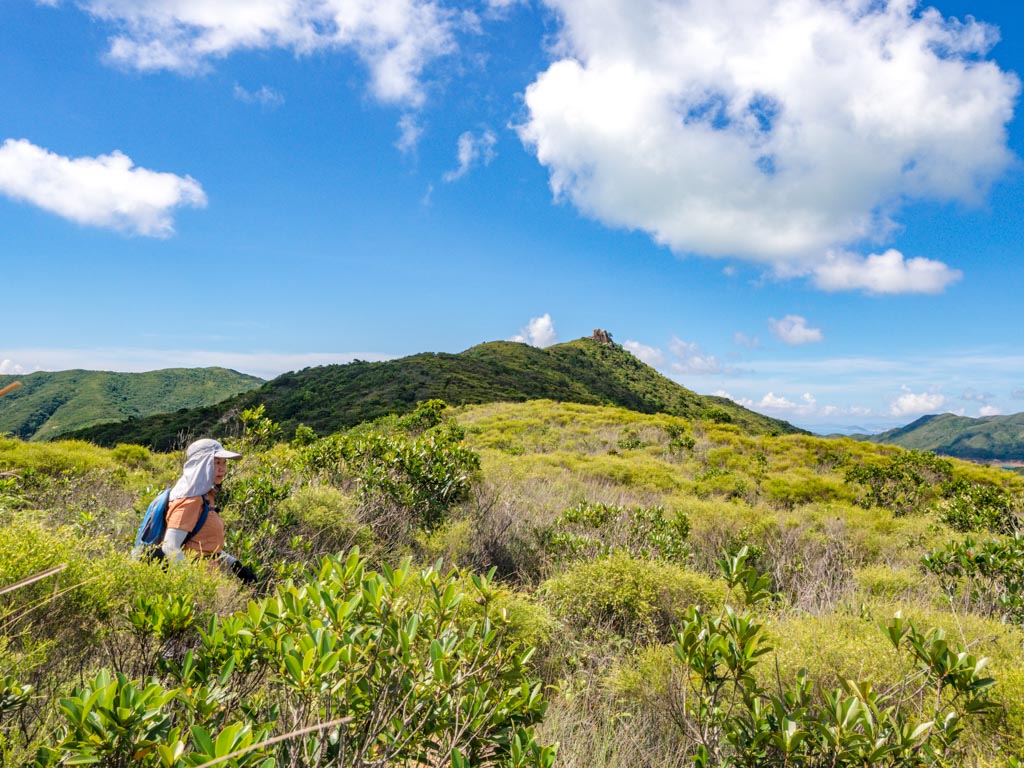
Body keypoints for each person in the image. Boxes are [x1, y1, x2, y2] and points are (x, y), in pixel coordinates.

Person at [161, 438, 257, 584]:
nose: (222, 468)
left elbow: (204, 547)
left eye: (224, 462)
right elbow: (170, 546)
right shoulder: (190, 500)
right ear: (201, 465)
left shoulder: (204, 496)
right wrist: (195, 584)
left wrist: (234, 565)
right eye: (217, 462)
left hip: (210, 577)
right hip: (197, 584)